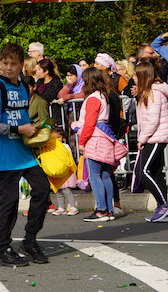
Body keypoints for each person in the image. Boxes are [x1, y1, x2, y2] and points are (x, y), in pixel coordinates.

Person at [0, 43, 50, 266]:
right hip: (4, 154)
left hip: (24, 151)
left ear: (22, 64)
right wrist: (19, 129)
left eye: (13, 63)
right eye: (5, 63)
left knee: (42, 191)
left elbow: (21, 117)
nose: (9, 67)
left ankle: (30, 239)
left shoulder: (23, 86)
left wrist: (35, 128)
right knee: (9, 203)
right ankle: (3, 249)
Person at [75, 68, 119, 223]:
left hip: (95, 139)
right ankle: (109, 209)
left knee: (95, 176)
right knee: (106, 175)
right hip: (105, 137)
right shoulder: (103, 96)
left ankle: (101, 210)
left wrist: (81, 142)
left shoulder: (93, 98)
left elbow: (89, 123)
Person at [133, 61, 168, 223]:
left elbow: (153, 119)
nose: (133, 78)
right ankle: (162, 208)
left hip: (155, 137)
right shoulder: (148, 92)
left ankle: (163, 204)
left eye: (136, 75)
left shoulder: (154, 93)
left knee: (143, 171)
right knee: (155, 172)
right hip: (153, 136)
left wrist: (142, 138)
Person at [49, 125, 79, 216]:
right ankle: (61, 207)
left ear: (63, 138)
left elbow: (68, 158)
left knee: (66, 190)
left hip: (65, 173)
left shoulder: (65, 146)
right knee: (58, 191)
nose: (56, 139)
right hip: (56, 172)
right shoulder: (51, 147)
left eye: (58, 137)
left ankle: (73, 207)